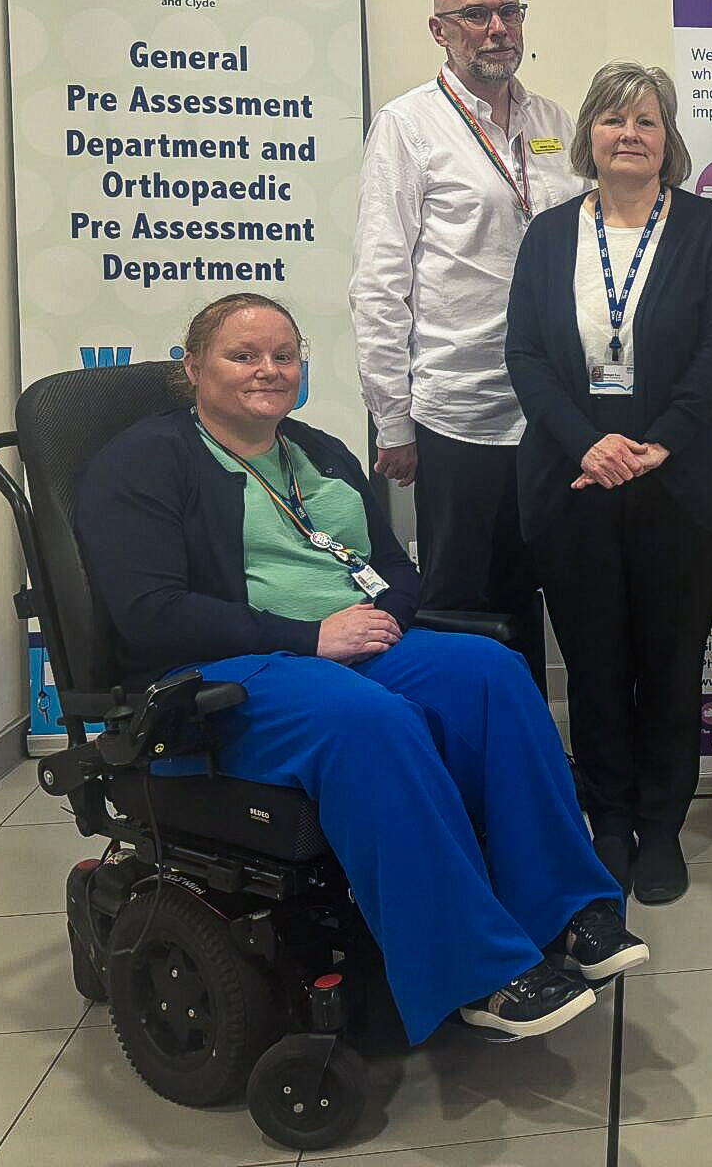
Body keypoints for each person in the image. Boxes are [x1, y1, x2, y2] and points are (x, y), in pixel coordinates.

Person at [75, 295, 645, 1046]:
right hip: (224, 670)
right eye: (243, 355)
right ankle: (474, 974)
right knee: (370, 721)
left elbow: (395, 569)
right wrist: (312, 637)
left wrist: (385, 621)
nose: (269, 370)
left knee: (490, 673)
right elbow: (152, 612)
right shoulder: (144, 462)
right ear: (192, 367)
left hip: (351, 646)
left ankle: (564, 910)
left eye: (284, 355)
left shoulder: (317, 451)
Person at [506, 62, 712, 906]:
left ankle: (662, 824)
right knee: (596, 665)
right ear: (590, 136)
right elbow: (525, 356)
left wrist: (660, 443)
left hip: (680, 483)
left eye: (647, 120)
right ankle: (608, 822)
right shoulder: (548, 235)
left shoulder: (707, 229)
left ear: (668, 137)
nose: (630, 134)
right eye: (613, 120)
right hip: (575, 482)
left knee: (673, 666)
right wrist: (590, 444)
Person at [350, 0, 583, 691]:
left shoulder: (556, 123)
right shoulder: (407, 126)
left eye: (510, 11)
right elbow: (379, 281)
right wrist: (392, 420)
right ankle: (469, 754)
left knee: (552, 598)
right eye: (476, 14)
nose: (497, 28)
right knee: (467, 612)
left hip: (555, 410)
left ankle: (529, 749)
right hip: (461, 411)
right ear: (439, 30)